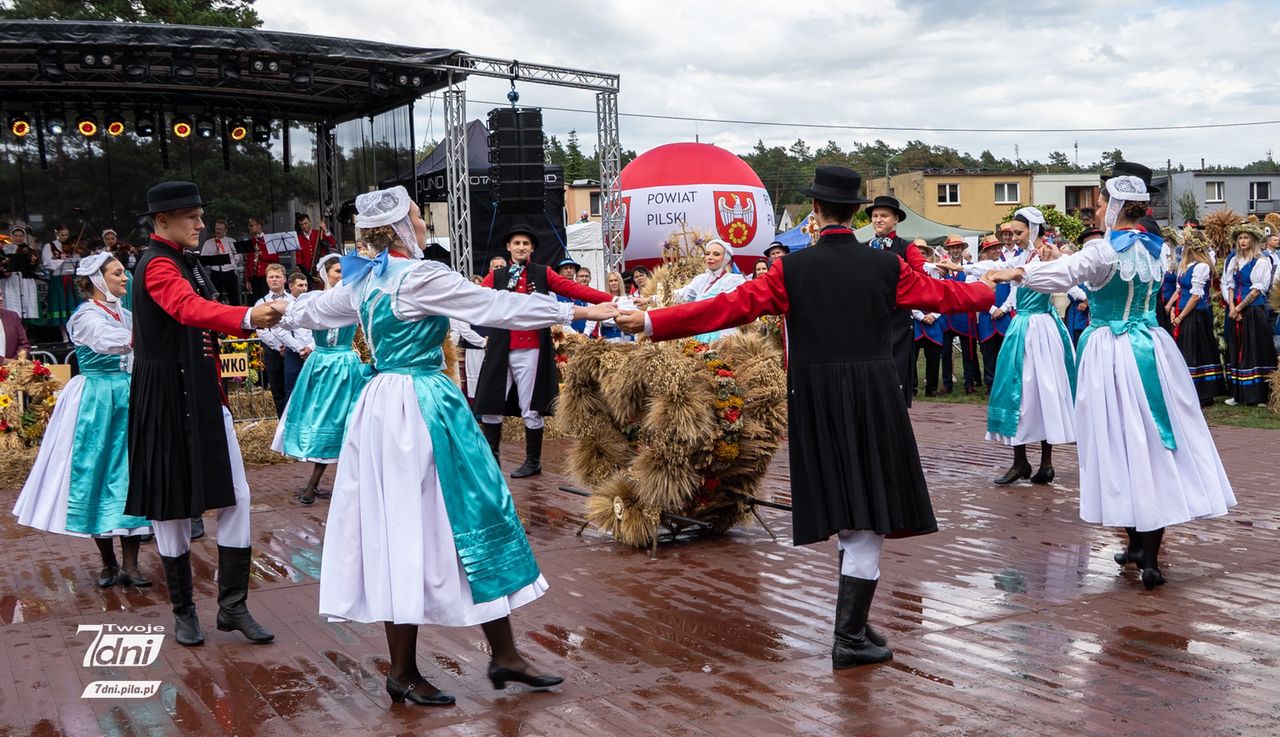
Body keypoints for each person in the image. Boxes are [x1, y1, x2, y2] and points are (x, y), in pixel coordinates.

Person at [616, 166, 996, 669]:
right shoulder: (886, 266)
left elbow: (730, 307)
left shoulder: (791, 269)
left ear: (815, 212)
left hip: (815, 393)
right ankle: (849, 635)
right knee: (869, 512)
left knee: (845, 503)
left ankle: (854, 625)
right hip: (874, 392)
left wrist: (650, 320)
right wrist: (989, 288)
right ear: (858, 214)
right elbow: (946, 298)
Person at [279, 185, 618, 707]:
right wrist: (577, 313)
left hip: (383, 406)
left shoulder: (365, 282)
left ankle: (495, 655)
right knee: (452, 516)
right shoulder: (418, 277)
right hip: (420, 407)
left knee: (431, 520)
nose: (422, 225)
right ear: (398, 229)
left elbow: (308, 311)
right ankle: (409, 669)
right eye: (417, 217)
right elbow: (495, 305)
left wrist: (269, 311)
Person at [986, 173, 1234, 590]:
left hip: (1112, 351)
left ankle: (1142, 545)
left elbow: (1059, 274)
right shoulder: (1159, 249)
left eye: (1100, 203)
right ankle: (1144, 548)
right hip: (1152, 347)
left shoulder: (1102, 251)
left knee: (1121, 439)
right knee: (1151, 440)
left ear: (1115, 206)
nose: (1097, 210)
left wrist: (1012, 274)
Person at [124, 181, 284, 647]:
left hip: (201, 393)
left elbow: (198, 311)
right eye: (191, 216)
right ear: (162, 221)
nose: (200, 224)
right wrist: (249, 318)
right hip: (166, 395)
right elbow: (188, 308)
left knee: (236, 495)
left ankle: (233, 607)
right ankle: (184, 611)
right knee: (170, 506)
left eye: (198, 215)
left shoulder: (182, 260)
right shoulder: (156, 264)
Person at [12, 253, 153, 588]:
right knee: (95, 471)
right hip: (96, 399)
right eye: (118, 273)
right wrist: (152, 333)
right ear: (98, 279)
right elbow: (110, 343)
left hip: (129, 395)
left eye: (124, 273)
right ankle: (108, 563)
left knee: (131, 475)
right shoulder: (86, 316)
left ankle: (131, 565)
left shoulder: (126, 313)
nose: (125, 278)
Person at [476, 225, 615, 478]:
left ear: (532, 249)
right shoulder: (496, 277)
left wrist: (611, 299)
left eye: (525, 244)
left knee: (532, 405)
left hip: (531, 348)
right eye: (516, 243)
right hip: (500, 348)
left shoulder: (543, 273)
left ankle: (533, 461)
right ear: (508, 247)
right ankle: (492, 460)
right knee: (491, 404)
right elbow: (472, 297)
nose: (521, 247)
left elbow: (574, 289)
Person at [981, 207, 1076, 485]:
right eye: (1011, 232)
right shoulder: (1022, 257)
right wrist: (960, 268)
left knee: (1042, 390)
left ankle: (1045, 462)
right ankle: (1020, 461)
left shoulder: (1044, 257)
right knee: (1018, 390)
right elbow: (996, 271)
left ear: (1033, 230)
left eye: (1019, 232)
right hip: (1024, 327)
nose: (1015, 237)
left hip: (1040, 329)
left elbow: (1071, 281)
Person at [272, 255, 369, 504]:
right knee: (325, 418)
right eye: (337, 271)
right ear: (325, 274)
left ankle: (325, 485)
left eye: (343, 271)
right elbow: (287, 322)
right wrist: (303, 345)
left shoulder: (353, 297)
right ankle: (314, 485)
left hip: (346, 364)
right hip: (323, 363)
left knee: (349, 420)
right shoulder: (313, 300)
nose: (341, 275)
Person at [863, 195, 928, 406]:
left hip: (897, 322)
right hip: (869, 321)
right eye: (875, 216)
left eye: (884, 215)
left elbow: (922, 277)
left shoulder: (907, 248)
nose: (878, 220)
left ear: (895, 219)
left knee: (895, 377)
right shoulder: (864, 247)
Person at [1221, 222, 1276, 406]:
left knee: (1255, 349)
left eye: (1246, 238)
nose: (1242, 241)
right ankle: (1239, 393)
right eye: (1240, 238)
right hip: (1236, 311)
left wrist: (1238, 309)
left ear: (1253, 240)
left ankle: (1259, 395)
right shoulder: (1235, 261)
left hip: (1253, 311)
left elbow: (1256, 290)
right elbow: (1230, 285)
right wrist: (1231, 308)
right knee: (1237, 349)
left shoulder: (1261, 261)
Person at [1168, 228, 1225, 406]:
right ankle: (1187, 389)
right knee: (1186, 349)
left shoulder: (1202, 267)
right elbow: (1180, 290)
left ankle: (1202, 392)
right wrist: (1171, 308)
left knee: (1197, 351)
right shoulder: (1186, 266)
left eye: (1186, 244)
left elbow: (1196, 295)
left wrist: (1181, 316)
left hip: (1196, 313)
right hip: (1183, 312)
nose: (1184, 247)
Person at [255, 264, 311, 417]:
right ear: (266, 280)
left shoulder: (293, 300)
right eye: (271, 277)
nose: (274, 280)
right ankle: (282, 422)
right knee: (278, 389)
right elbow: (261, 329)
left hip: (293, 350)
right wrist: (278, 345)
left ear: (285, 280)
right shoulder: (261, 302)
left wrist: (295, 346)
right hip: (274, 351)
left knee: (295, 387)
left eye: (277, 277)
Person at [671, 239, 746, 342]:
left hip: (723, 336)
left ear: (726, 259)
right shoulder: (701, 279)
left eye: (716, 254)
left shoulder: (735, 280)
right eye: (707, 254)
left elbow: (726, 307)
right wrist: (652, 298)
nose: (710, 257)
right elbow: (682, 295)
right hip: (700, 333)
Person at [937, 236, 980, 394]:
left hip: (964, 315)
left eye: (958, 247)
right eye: (952, 248)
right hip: (947, 315)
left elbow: (971, 290)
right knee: (946, 352)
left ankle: (969, 383)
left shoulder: (970, 267)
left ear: (963, 249)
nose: (955, 250)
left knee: (968, 352)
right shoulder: (941, 267)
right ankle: (947, 384)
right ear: (948, 250)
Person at [973, 236, 1014, 390]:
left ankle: (1006, 384)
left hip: (1005, 315)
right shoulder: (979, 269)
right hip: (987, 316)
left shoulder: (1007, 267)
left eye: (998, 248)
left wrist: (1003, 308)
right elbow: (975, 291)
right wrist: (992, 309)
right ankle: (991, 385)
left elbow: (1014, 290)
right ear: (986, 251)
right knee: (988, 352)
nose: (996, 251)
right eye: (992, 248)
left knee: (1006, 352)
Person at [1064, 228, 1103, 346]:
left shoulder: (1107, 261)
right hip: (1079, 316)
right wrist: (1085, 300)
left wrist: (1087, 302)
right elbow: (1069, 286)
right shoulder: (1080, 263)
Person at [43, 223, 81, 332]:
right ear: (57, 234)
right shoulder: (49, 246)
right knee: (60, 304)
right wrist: (63, 262)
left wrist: (75, 258)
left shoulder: (72, 246)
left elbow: (78, 261)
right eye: (62, 235)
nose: (65, 237)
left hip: (72, 279)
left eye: (66, 235)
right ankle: (64, 335)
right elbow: (47, 263)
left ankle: (75, 333)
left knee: (73, 304)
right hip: (58, 279)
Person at [199, 219, 243, 306]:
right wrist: (213, 258)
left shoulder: (232, 241)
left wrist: (230, 262)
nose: (218, 231)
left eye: (220, 229)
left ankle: (237, 315)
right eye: (217, 229)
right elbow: (203, 258)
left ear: (225, 230)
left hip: (229, 272)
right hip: (215, 273)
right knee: (216, 297)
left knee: (233, 296)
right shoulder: (208, 243)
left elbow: (238, 258)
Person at [2, 226, 41, 321]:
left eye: (20, 236)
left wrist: (33, 262)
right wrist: (4, 267)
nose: (18, 238)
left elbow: (34, 267)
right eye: (15, 235)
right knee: (12, 308)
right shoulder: (5, 249)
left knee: (25, 309)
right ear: (11, 236)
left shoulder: (29, 250)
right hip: (10, 281)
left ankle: (24, 332)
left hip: (25, 281)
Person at [244, 216, 278, 304]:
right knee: (255, 300)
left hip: (265, 274)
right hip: (253, 275)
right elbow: (248, 262)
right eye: (249, 226)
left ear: (259, 226)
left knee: (266, 298)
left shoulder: (268, 239)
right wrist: (247, 279)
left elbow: (276, 258)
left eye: (251, 226)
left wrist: (262, 255)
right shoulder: (251, 241)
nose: (249, 228)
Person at [295, 212, 336, 278]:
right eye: (302, 224)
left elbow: (333, 243)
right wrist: (301, 269)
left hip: (321, 267)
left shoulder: (318, 233)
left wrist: (325, 229)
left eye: (305, 223)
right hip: (308, 271)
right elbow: (299, 257)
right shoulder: (299, 238)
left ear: (309, 222)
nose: (304, 226)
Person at [0, 288, 31, 360]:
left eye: (1, 295)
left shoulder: (12, 316)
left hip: (13, 368)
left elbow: (24, 344)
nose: (1, 299)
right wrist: (4, 361)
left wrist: (17, 361)